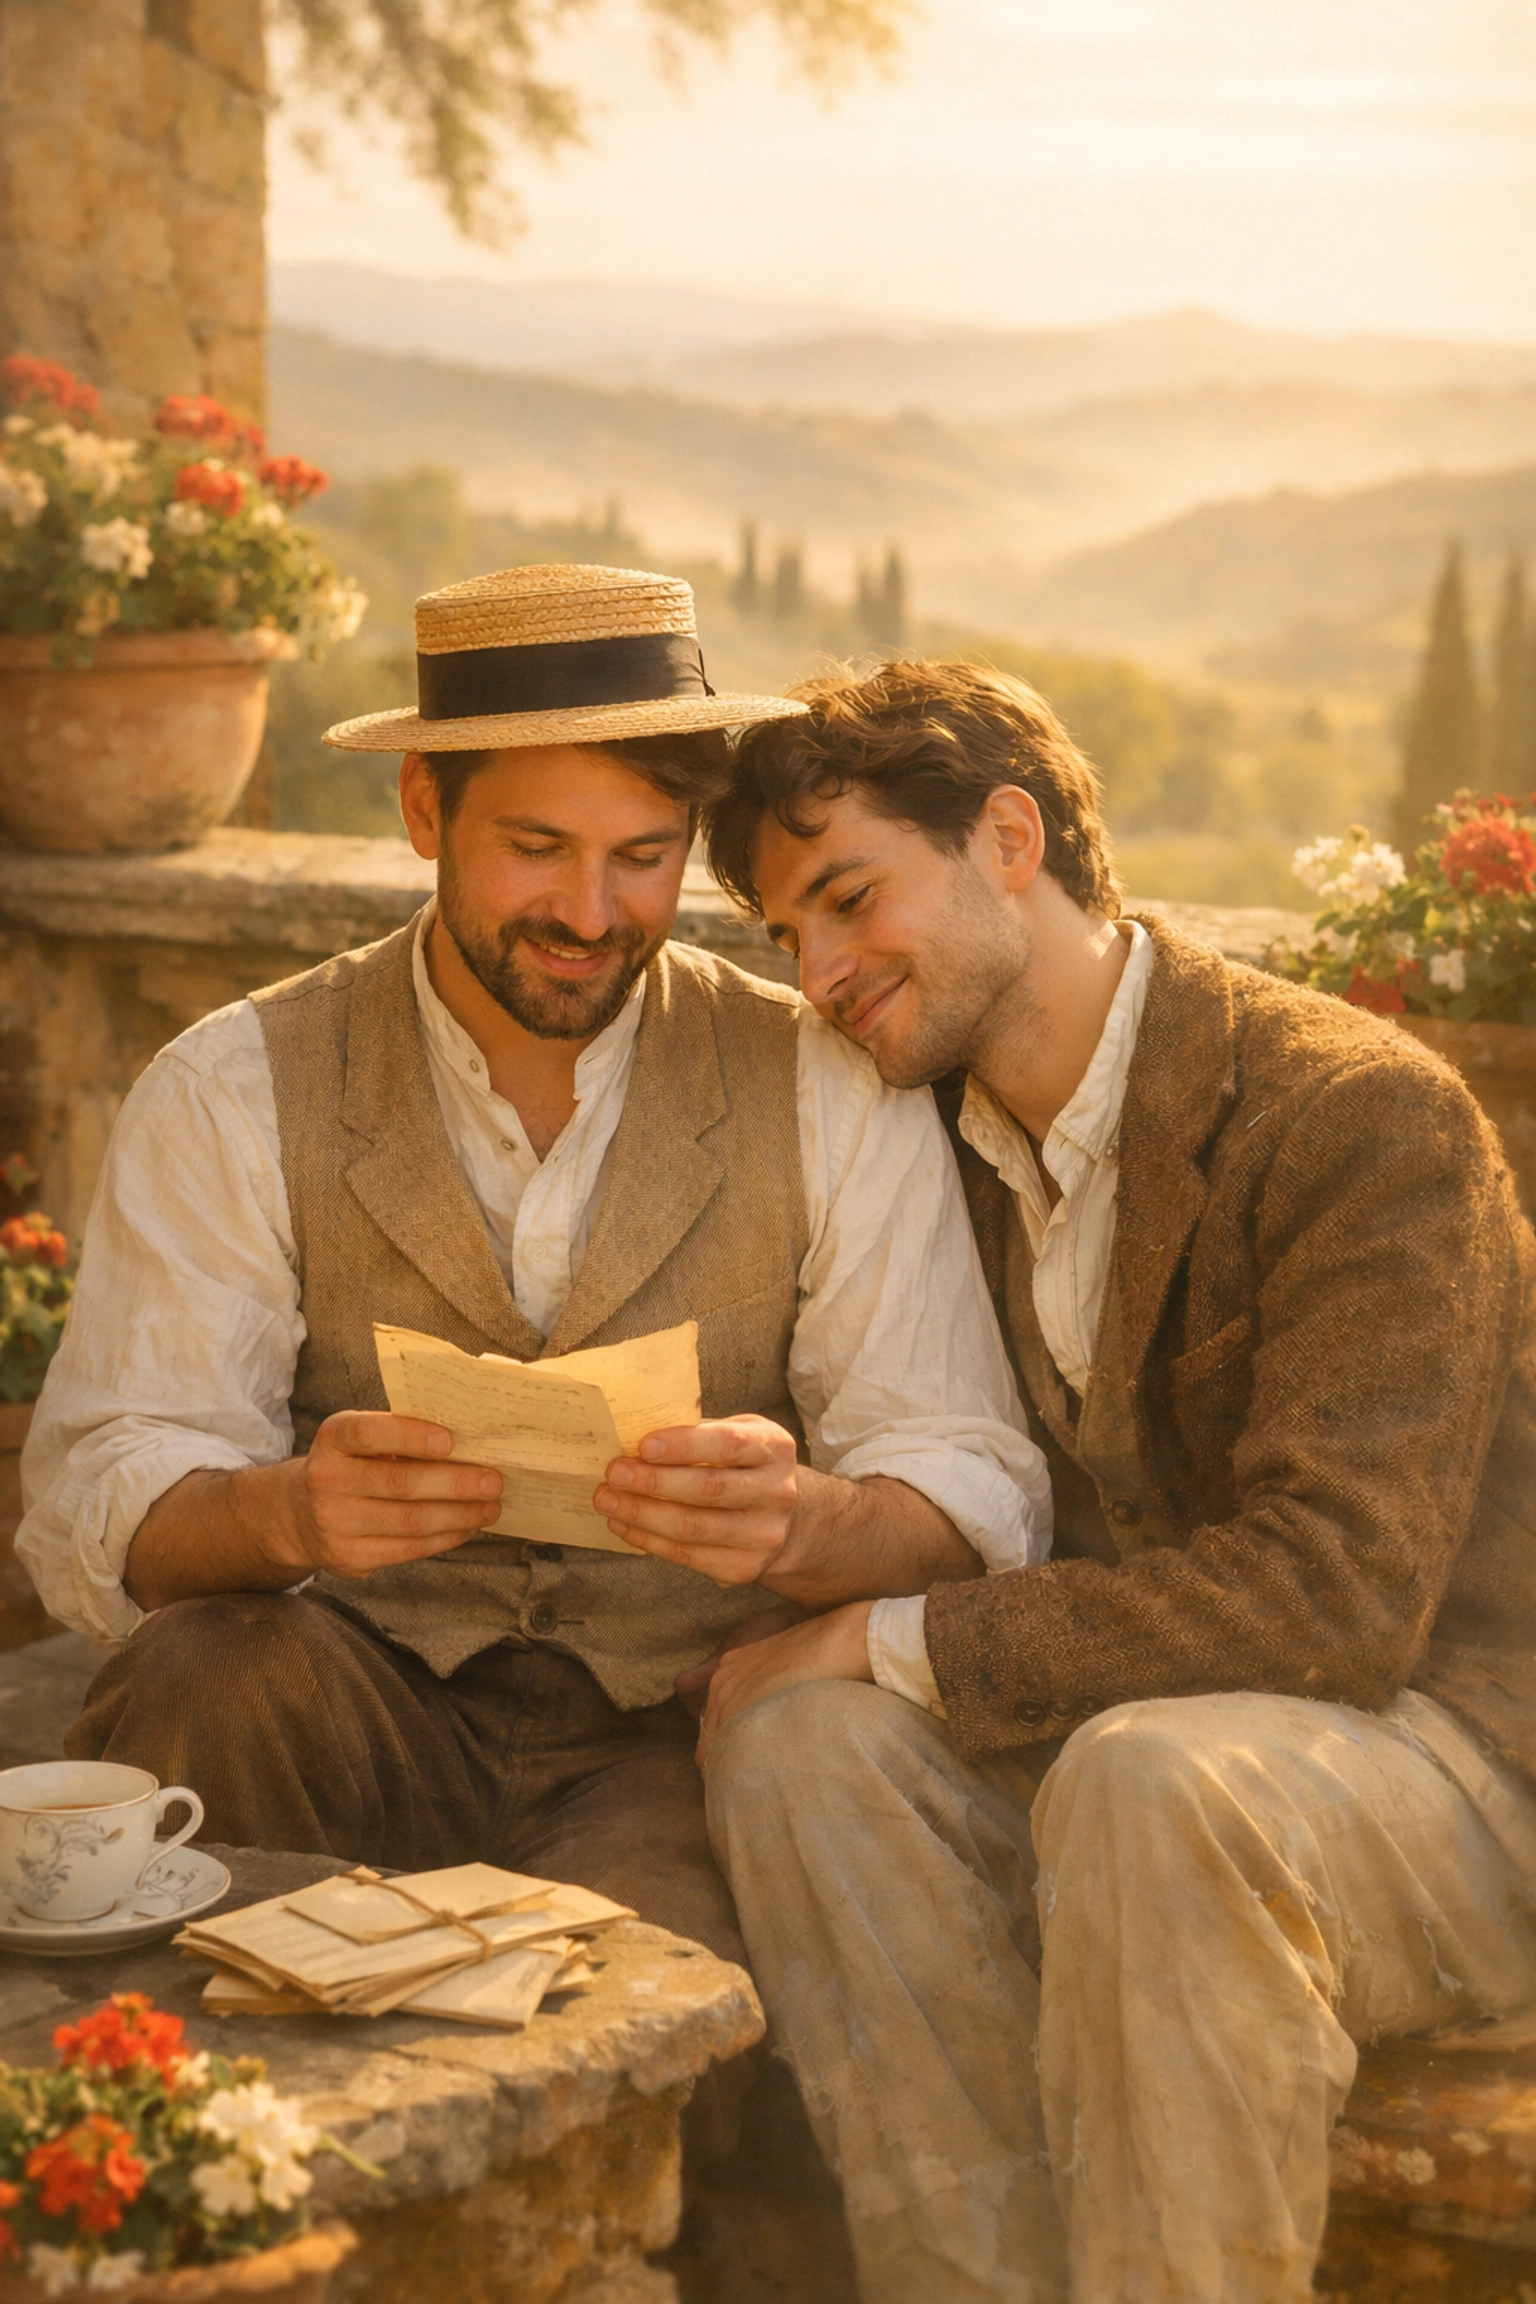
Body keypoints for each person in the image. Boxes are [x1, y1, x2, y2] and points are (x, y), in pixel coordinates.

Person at [20, 575, 1049, 2001]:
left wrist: (803, 1523)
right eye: (536, 846)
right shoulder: (236, 1080)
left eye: (642, 856)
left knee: (646, 2024)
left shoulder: (816, 1078)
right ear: (425, 816)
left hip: (662, 1735)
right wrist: (284, 1509)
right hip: (349, 1690)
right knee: (205, 1679)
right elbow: (97, 1485)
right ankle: (200, 2159)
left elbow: (969, 1484)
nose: (589, 910)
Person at [697, 656, 1536, 2303]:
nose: (822, 973)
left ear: (1012, 837)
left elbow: (1338, 1600)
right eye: (789, 936)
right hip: (1135, 1746)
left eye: (851, 898)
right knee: (798, 1751)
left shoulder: (1359, 1114)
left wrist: (891, 1638)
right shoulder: (930, 1150)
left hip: (1465, 1763)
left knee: (1150, 1785)